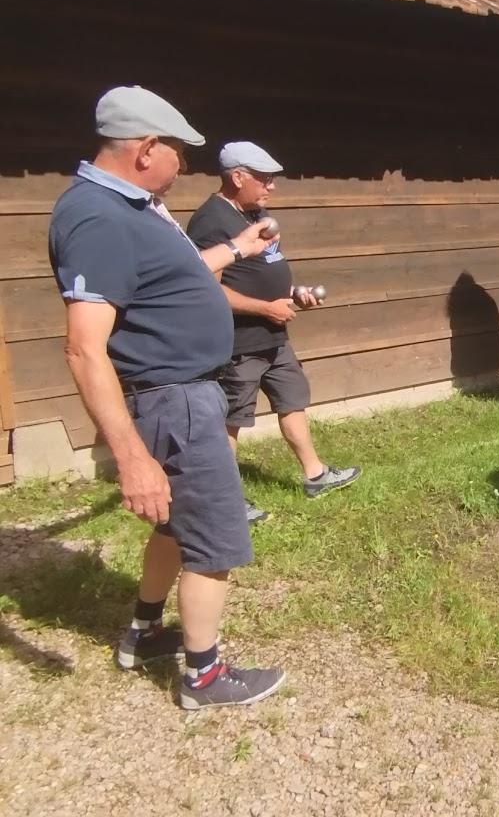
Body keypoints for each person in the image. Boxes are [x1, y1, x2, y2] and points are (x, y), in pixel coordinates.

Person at [48, 86, 284, 708]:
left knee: (177, 530)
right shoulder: (98, 216)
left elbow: (171, 278)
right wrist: (131, 458)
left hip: (186, 391)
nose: (184, 165)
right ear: (147, 149)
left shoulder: (133, 205)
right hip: (175, 399)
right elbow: (83, 348)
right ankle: (203, 677)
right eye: (179, 151)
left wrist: (237, 250)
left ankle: (145, 631)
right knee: (216, 537)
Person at [185, 142, 361, 519]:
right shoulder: (211, 221)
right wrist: (266, 308)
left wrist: (293, 293)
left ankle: (315, 474)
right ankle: (224, 503)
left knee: (291, 400)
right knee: (231, 420)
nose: (272, 186)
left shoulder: (255, 214)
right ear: (237, 177)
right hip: (239, 343)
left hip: (274, 337)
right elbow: (207, 288)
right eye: (264, 178)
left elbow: (262, 270)